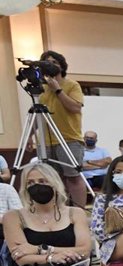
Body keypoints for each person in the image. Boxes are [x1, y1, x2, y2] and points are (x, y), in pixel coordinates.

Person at [35, 51, 87, 206]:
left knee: (73, 177)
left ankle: (79, 211)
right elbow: (37, 114)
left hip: (69, 139)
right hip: (46, 141)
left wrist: (58, 90)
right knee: (51, 178)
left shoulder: (72, 85)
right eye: (47, 62)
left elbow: (75, 107)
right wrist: (32, 136)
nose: (50, 65)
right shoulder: (41, 89)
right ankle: (57, 210)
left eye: (54, 62)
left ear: (61, 66)